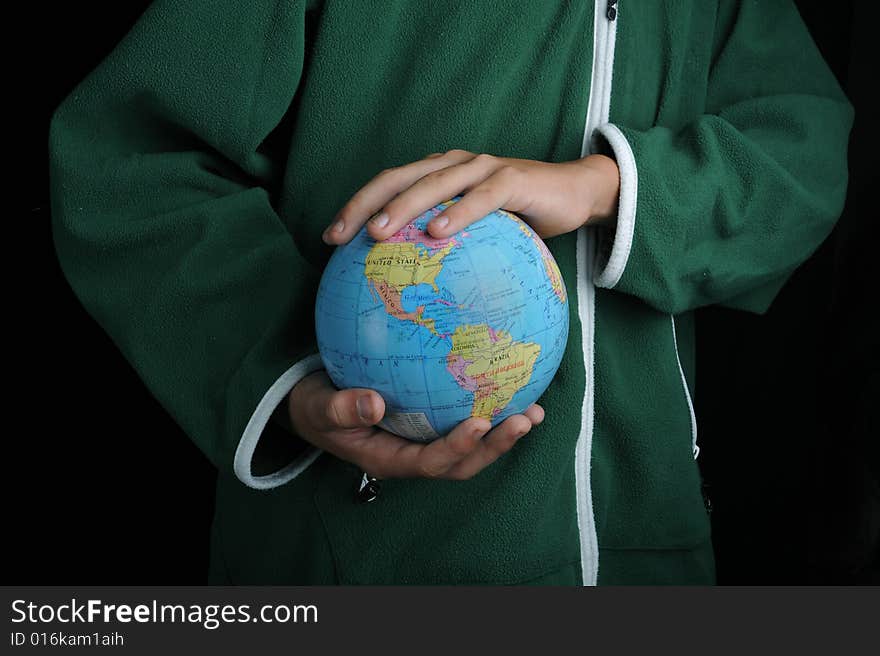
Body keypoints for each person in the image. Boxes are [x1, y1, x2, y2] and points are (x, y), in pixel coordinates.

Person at [49, 0, 852, 585]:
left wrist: (605, 187)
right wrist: (285, 380)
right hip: (361, 561)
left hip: (651, 556)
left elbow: (804, 148)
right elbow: (129, 159)